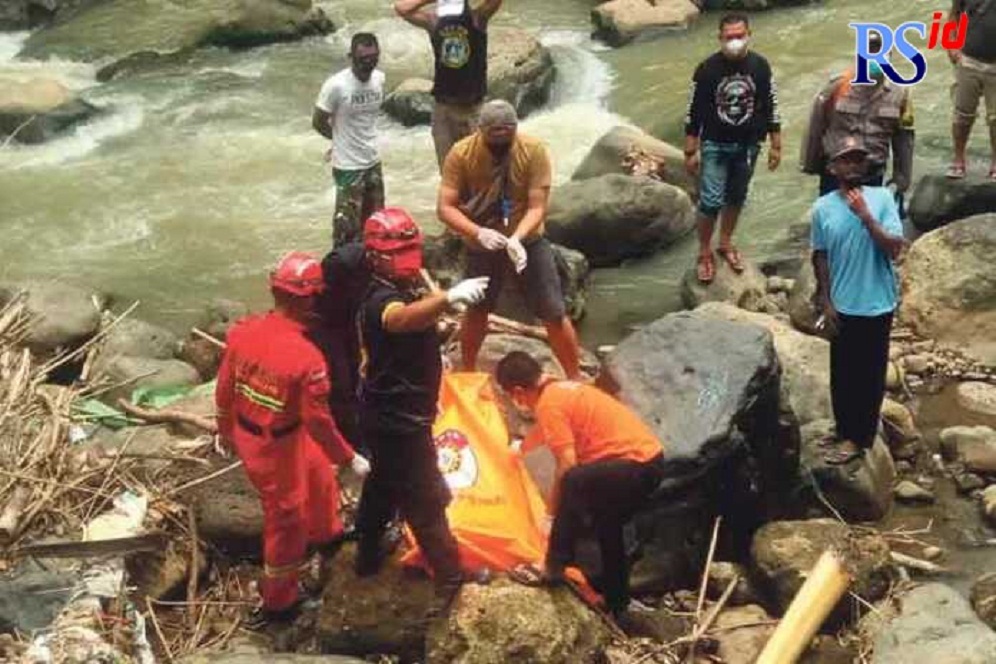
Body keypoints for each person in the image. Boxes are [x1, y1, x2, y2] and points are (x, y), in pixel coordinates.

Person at [215, 251, 372, 628]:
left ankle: (328, 532)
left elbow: (224, 387)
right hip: (275, 446)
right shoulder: (307, 359)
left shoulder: (243, 333)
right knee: (286, 521)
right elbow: (318, 421)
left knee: (318, 475)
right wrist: (349, 457)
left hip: (266, 432)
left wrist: (224, 428)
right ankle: (278, 601)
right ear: (308, 299)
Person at [354, 206, 490, 614]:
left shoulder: (405, 284)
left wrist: (440, 328)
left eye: (411, 248)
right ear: (376, 256)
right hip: (399, 421)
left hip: (388, 413)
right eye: (399, 251)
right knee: (426, 497)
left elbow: (415, 327)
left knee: (382, 484)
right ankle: (449, 575)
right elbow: (399, 321)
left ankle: (365, 554)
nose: (408, 258)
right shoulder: (380, 299)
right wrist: (448, 297)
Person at [494, 351, 667, 618]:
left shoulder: (549, 403)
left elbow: (567, 464)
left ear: (517, 391)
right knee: (607, 528)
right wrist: (521, 448)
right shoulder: (560, 389)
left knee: (574, 481)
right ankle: (616, 602)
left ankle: (553, 565)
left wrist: (551, 514)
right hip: (648, 462)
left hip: (635, 465)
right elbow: (546, 431)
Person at [437, 99, 581, 379]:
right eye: (494, 138)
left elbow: (538, 206)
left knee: (553, 310)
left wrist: (517, 238)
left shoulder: (533, 151)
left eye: (507, 137)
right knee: (477, 309)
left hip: (526, 241)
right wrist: (477, 232)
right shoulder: (462, 154)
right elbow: (445, 207)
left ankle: (574, 376)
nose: (500, 145)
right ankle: (468, 370)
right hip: (482, 241)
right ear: (481, 131)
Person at [810, 137, 906, 466]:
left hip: (877, 302)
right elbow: (820, 255)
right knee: (842, 372)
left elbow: (894, 248)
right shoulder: (822, 207)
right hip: (843, 303)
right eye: (845, 160)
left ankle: (860, 438)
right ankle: (843, 428)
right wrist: (825, 298)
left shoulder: (881, 199)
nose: (852, 165)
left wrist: (865, 216)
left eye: (858, 160)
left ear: (866, 166)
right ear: (832, 167)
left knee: (869, 373)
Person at [684, 12, 782, 284]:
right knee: (711, 200)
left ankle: (725, 242)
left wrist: (776, 143)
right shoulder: (707, 70)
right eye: (730, 37)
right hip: (715, 143)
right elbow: (694, 110)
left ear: (748, 34)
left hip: (749, 144)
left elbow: (771, 104)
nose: (735, 41)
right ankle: (704, 251)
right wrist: (690, 150)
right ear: (720, 38)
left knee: (737, 197)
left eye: (740, 36)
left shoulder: (760, 66)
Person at [800, 32, 915, 198]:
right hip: (837, 173)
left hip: (873, 172)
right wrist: (811, 164)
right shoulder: (838, 86)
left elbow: (904, 139)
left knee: (868, 219)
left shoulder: (900, 94)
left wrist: (902, 177)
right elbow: (816, 125)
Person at [394, 0, 504, 169]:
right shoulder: (434, 22)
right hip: (444, 110)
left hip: (473, 110)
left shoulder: (477, 19)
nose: (451, 18)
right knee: (449, 173)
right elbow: (401, 8)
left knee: (480, 173)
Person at [313, 33, 386, 247]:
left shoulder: (379, 79)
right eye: (362, 59)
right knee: (346, 228)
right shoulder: (336, 86)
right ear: (350, 57)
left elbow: (369, 119)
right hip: (348, 167)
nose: (368, 64)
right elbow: (318, 121)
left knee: (376, 224)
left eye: (373, 58)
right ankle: (341, 271)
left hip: (373, 160)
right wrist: (337, 140)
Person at [947, 0, 996, 179]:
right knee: (962, 115)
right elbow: (954, 15)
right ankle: (958, 160)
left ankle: (995, 164)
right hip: (969, 59)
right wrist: (951, 45)